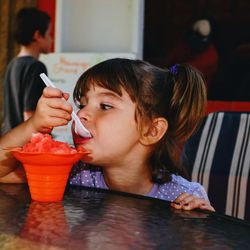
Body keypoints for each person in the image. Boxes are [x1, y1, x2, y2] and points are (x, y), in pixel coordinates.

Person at [0, 58, 214, 212]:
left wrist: (200, 224)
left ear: (151, 130)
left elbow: (203, 240)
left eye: (105, 105)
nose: (82, 113)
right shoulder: (73, 173)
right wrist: (33, 125)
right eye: (82, 104)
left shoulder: (182, 195)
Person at [1, 7, 52, 135]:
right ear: (37, 35)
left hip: (8, 139)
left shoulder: (12, 64)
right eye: (49, 34)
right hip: (24, 145)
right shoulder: (36, 67)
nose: (52, 39)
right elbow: (30, 116)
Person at [168, 17, 219, 90]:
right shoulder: (184, 44)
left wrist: (169, 70)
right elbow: (169, 60)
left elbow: (180, 70)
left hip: (193, 94)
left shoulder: (210, 57)